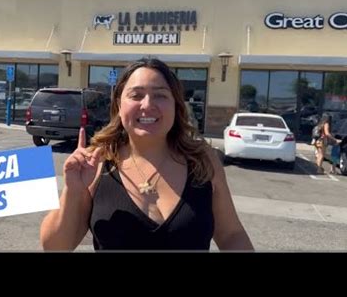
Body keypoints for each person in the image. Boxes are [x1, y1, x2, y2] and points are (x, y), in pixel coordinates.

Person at [40, 58, 254, 251]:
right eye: (136, 95)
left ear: (176, 105)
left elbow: (232, 235)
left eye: (160, 95)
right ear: (118, 105)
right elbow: (55, 246)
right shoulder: (95, 162)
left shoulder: (203, 160)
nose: (148, 105)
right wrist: (73, 190)